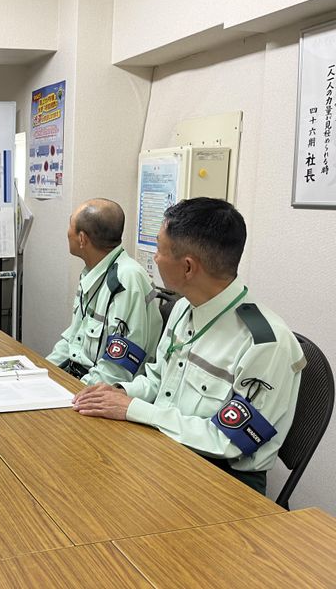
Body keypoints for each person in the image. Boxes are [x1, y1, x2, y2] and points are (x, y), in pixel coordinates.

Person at [73, 198, 306, 494]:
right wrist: (119, 393)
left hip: (222, 482)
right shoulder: (185, 308)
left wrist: (134, 409)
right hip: (164, 452)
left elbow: (228, 441)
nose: (154, 259)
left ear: (187, 267)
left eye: (159, 249)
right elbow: (158, 378)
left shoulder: (265, 342)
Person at [46, 198, 163, 385]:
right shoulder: (91, 272)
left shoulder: (126, 280)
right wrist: (43, 372)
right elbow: (72, 340)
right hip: (78, 378)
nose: (67, 232)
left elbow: (115, 372)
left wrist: (73, 392)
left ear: (82, 239)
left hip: (100, 391)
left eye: (70, 225)